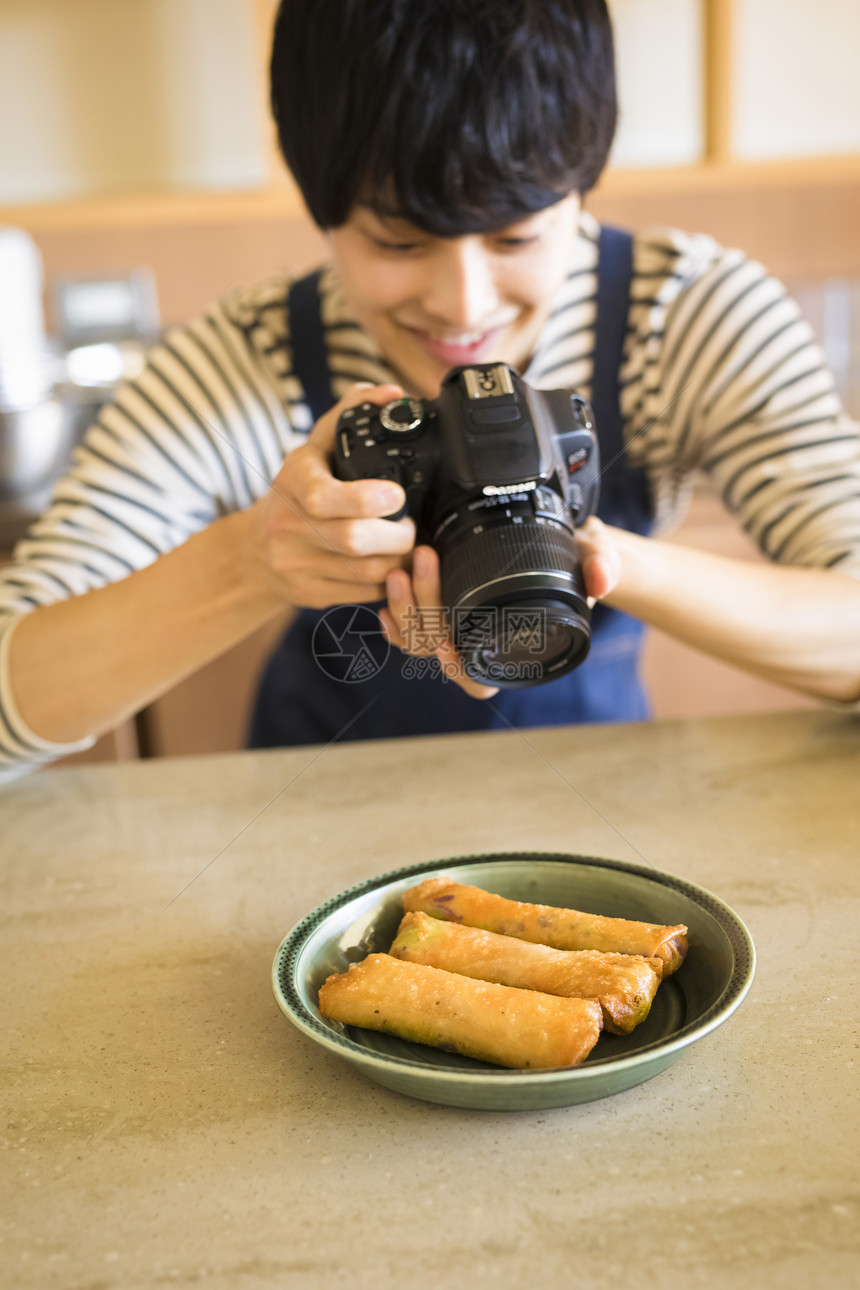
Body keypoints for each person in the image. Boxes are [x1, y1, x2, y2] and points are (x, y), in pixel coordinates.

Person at [2, 0, 860, 780]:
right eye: (400, 243)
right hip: (317, 824)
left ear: (583, 183)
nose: (464, 306)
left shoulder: (683, 317)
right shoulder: (248, 357)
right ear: (320, 206)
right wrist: (258, 559)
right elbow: (14, 699)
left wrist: (600, 561)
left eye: (517, 237)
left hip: (598, 799)